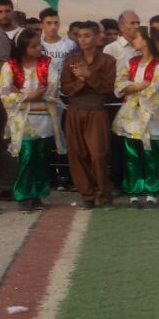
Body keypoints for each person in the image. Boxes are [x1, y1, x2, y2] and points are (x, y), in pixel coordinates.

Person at [0, 29, 62, 212]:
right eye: (33, 46)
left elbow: (53, 88)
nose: (39, 48)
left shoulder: (48, 63)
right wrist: (29, 96)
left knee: (42, 157)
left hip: (45, 118)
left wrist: (23, 94)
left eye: (39, 44)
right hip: (22, 121)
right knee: (26, 156)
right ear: (22, 48)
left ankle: (37, 195)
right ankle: (23, 195)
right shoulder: (10, 66)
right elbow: (4, 93)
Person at [113, 28, 159, 208]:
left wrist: (131, 88)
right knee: (132, 155)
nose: (134, 41)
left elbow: (153, 90)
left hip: (151, 116)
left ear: (146, 40)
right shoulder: (131, 62)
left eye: (137, 37)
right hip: (131, 117)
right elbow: (119, 84)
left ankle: (152, 192)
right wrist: (138, 87)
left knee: (152, 155)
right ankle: (134, 192)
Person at [61, 21, 115, 208]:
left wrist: (89, 75)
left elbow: (109, 88)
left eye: (87, 35)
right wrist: (81, 82)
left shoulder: (108, 61)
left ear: (97, 37)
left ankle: (105, 194)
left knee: (98, 154)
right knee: (77, 154)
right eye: (79, 36)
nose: (82, 40)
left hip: (97, 111)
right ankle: (87, 195)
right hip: (75, 110)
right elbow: (66, 89)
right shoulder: (71, 61)